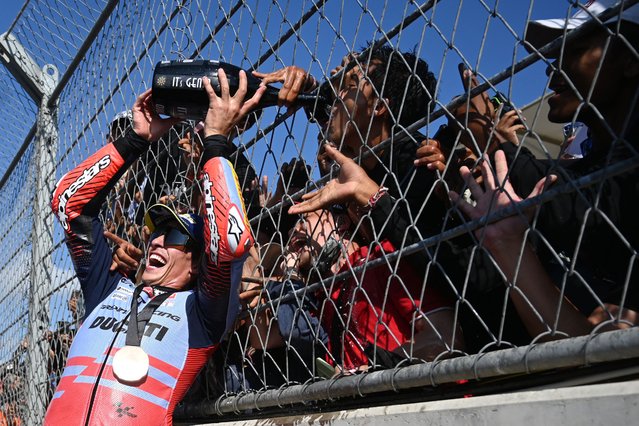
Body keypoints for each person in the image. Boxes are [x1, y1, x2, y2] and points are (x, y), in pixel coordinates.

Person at [44, 67, 263, 424]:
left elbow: (230, 240)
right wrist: (135, 139)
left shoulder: (203, 313)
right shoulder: (107, 289)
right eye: (155, 232)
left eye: (175, 235)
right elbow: (69, 203)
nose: (157, 240)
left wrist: (215, 140)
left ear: (196, 264)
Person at [259, 45, 463, 369]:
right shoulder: (354, 168)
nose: (336, 94)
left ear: (381, 105)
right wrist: (310, 90)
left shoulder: (423, 168)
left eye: (349, 86)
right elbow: (335, 115)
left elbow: (449, 276)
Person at [449, 0, 639, 339]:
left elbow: (577, 201)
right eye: (553, 56)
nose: (553, 69)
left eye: (575, 49)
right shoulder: (596, 154)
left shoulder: (622, 174)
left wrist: (496, 142)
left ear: (628, 60)